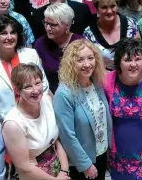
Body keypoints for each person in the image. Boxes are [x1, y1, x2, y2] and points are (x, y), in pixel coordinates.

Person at [103, 38, 142, 180]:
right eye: (127, 60)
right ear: (119, 62)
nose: (133, 65)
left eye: (138, 59)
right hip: (118, 154)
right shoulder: (107, 81)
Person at [54, 39, 111, 180]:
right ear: (71, 63)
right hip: (82, 160)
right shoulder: (64, 93)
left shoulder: (96, 83)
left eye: (90, 58)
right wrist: (85, 164)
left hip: (101, 151)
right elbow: (67, 135)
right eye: (80, 60)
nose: (87, 64)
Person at [2, 64, 70, 179]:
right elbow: (24, 166)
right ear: (17, 90)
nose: (35, 90)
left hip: (58, 170)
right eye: (28, 86)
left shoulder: (47, 101)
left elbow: (56, 141)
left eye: (38, 83)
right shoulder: (13, 124)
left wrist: (64, 170)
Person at [0, 15, 49, 120]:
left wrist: (39, 109)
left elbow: (43, 84)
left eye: (13, 32)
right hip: (6, 119)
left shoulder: (31, 55)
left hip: (36, 113)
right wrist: (3, 122)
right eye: (4, 33)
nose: (9, 37)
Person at [83, 0, 139, 70]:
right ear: (96, 8)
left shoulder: (132, 24)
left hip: (131, 72)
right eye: (104, 7)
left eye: (112, 6)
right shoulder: (88, 34)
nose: (109, 11)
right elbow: (89, 63)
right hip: (102, 77)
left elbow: (139, 54)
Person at [34, 3, 83, 94]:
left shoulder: (80, 43)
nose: (48, 28)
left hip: (78, 92)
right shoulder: (40, 44)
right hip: (49, 93)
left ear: (67, 25)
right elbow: (37, 77)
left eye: (53, 25)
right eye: (46, 23)